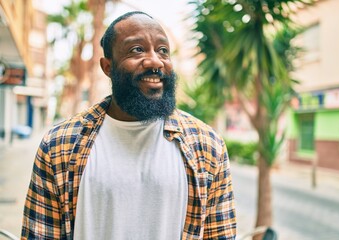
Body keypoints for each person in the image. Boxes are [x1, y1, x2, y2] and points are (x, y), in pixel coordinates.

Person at [21, 11, 237, 240]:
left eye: (163, 50)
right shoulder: (59, 144)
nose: (155, 60)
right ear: (107, 67)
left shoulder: (207, 145)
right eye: (137, 49)